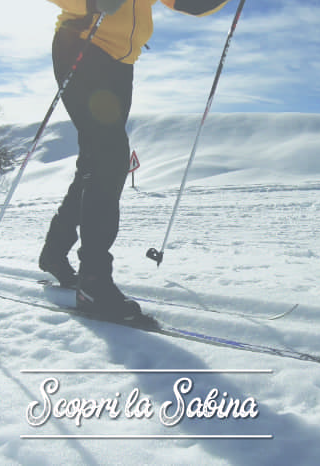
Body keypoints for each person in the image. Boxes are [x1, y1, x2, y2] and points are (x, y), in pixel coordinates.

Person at [41, 0, 230, 320]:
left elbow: (190, 3)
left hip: (121, 63)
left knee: (95, 160)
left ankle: (54, 253)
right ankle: (93, 282)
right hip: (83, 43)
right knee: (110, 157)